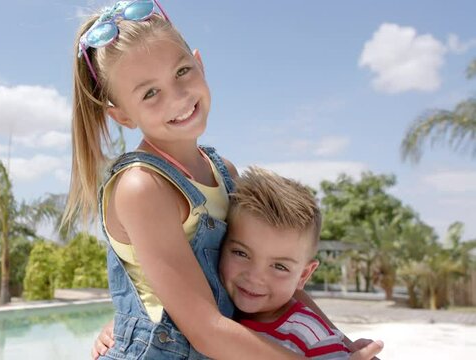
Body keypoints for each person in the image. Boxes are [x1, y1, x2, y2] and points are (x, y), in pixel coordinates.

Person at [64, 1, 382, 359]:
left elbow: (281, 278)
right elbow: (204, 329)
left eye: (182, 71)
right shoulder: (143, 187)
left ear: (199, 63)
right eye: (149, 93)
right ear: (121, 114)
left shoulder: (225, 172)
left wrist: (338, 345)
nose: (178, 96)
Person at [92, 167, 384, 359]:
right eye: (241, 254)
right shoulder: (226, 312)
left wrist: (345, 345)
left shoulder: (308, 334)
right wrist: (127, 325)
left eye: (279, 266)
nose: (255, 277)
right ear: (220, 246)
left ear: (304, 275)